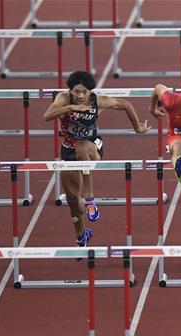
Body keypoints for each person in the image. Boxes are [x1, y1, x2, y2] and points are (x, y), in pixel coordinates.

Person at [43, 71, 150, 248]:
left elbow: (125, 104)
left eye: (84, 92)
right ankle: (82, 235)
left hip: (93, 146)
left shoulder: (97, 101)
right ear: (70, 90)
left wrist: (137, 127)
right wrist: (71, 108)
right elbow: (47, 116)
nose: (80, 96)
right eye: (76, 91)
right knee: (72, 201)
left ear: (90, 92)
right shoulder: (63, 98)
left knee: (82, 146)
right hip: (68, 151)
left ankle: (90, 199)